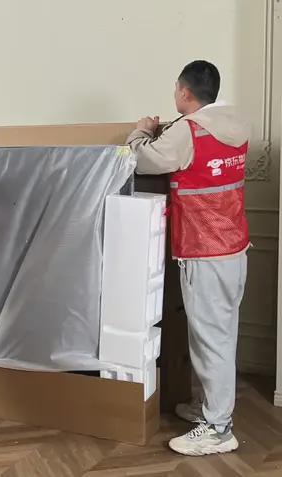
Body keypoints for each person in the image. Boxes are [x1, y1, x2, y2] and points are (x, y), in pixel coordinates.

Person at [127, 60, 250, 456]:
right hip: (234, 248)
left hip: (204, 251)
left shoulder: (189, 131)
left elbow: (141, 159)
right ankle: (207, 407)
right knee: (219, 336)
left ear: (184, 91)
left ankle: (218, 428)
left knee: (211, 341)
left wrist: (142, 130)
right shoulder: (237, 124)